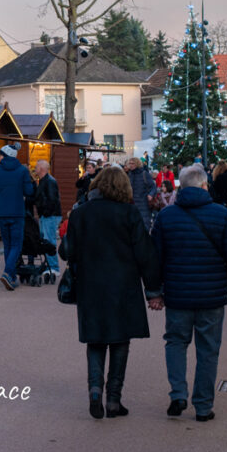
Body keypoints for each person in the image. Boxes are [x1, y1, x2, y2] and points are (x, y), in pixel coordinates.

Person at [62, 165, 162, 419]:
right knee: (120, 341)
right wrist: (153, 291)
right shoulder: (129, 213)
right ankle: (114, 399)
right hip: (123, 286)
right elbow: (145, 253)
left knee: (95, 340)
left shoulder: (81, 213)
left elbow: (66, 251)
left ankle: (95, 391)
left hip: (90, 286)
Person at [151, 165, 227, 422]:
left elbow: (154, 257)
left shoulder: (166, 216)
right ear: (205, 185)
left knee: (175, 342)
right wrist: (226, 284)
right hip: (211, 296)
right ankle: (203, 406)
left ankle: (178, 393)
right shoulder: (222, 214)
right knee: (208, 350)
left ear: (181, 186)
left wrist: (156, 290)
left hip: (177, 293)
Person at [0, 143, 34, 291]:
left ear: (5, 155)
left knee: (8, 245)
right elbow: (29, 191)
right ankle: (8, 272)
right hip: (17, 212)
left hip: (1, 212)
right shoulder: (22, 170)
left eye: (1, 154)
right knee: (16, 244)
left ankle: (12, 276)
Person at [32, 160, 62, 277]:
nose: (35, 168)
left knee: (49, 240)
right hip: (47, 215)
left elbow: (52, 200)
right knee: (47, 240)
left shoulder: (49, 181)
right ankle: (50, 265)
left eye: (36, 167)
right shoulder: (46, 180)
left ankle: (53, 267)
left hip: (49, 215)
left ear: (41, 169)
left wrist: (45, 213)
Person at [125, 157, 157, 230]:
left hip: (143, 204)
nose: (131, 165)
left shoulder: (144, 174)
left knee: (144, 226)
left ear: (137, 164)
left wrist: (151, 195)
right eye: (130, 163)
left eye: (133, 163)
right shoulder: (129, 175)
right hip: (132, 205)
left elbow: (153, 187)